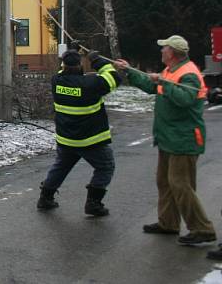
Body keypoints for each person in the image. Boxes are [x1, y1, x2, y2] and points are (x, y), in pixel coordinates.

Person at [114, 35, 217, 246]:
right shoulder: (171, 71)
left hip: (184, 138)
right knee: (165, 182)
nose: (161, 51)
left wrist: (163, 82)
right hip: (168, 137)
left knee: (181, 184)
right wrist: (129, 71)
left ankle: (202, 229)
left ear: (172, 53)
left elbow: (184, 99)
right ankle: (168, 223)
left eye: (164, 48)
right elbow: (153, 86)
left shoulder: (188, 74)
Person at [37, 48, 121, 216]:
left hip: (67, 139)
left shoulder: (57, 81)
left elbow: (64, 70)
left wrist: (72, 50)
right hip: (91, 140)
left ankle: (45, 198)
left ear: (63, 65)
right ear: (80, 65)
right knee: (105, 167)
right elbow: (114, 78)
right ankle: (93, 203)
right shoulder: (91, 85)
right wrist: (96, 60)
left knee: (61, 166)